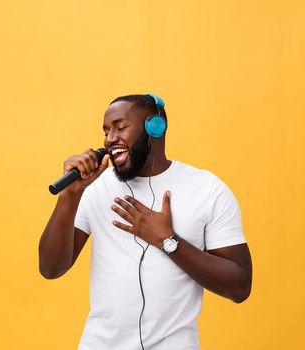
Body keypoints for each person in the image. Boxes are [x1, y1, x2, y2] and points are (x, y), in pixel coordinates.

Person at [38, 94, 253, 349]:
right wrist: (69, 197)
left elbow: (239, 286)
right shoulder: (95, 188)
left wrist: (168, 241)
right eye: (106, 131)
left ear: (155, 127)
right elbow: (51, 268)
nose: (109, 139)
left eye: (120, 127)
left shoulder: (208, 190)